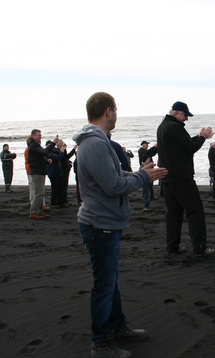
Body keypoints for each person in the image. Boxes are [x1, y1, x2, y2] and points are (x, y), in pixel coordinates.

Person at [73, 92, 168, 358]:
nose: (117, 115)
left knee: (109, 281)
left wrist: (142, 174)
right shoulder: (94, 144)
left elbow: (114, 176)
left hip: (104, 222)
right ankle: (100, 342)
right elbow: (113, 186)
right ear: (107, 111)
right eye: (116, 110)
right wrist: (142, 177)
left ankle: (116, 325)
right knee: (104, 284)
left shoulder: (96, 142)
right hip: (98, 224)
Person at [156, 101, 215, 257]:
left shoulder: (163, 126)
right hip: (181, 176)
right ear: (177, 113)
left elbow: (184, 143)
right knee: (195, 209)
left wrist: (199, 136)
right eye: (185, 115)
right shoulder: (174, 127)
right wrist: (203, 138)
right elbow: (190, 148)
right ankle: (200, 247)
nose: (186, 119)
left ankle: (173, 248)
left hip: (168, 176)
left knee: (174, 212)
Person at [27, 129, 59, 219]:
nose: (40, 137)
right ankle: (33, 212)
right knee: (39, 193)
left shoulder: (35, 145)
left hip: (40, 170)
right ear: (33, 136)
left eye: (40, 135)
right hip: (37, 172)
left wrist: (46, 161)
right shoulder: (33, 145)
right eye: (38, 135)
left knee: (41, 193)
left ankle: (39, 211)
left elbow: (39, 157)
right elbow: (44, 152)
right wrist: (53, 143)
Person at [138, 140, 158, 207]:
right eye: (146, 144)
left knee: (151, 182)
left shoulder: (146, 152)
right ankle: (147, 198)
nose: (147, 146)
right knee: (146, 184)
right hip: (145, 169)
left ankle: (151, 196)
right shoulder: (141, 151)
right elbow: (148, 152)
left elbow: (152, 153)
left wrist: (156, 148)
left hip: (149, 168)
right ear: (143, 145)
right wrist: (154, 147)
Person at [47, 140, 66, 207]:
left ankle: (60, 202)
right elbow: (58, 158)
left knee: (60, 188)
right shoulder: (49, 153)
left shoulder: (54, 151)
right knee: (55, 188)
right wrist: (62, 151)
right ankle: (53, 202)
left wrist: (60, 146)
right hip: (52, 173)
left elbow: (60, 155)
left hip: (58, 172)